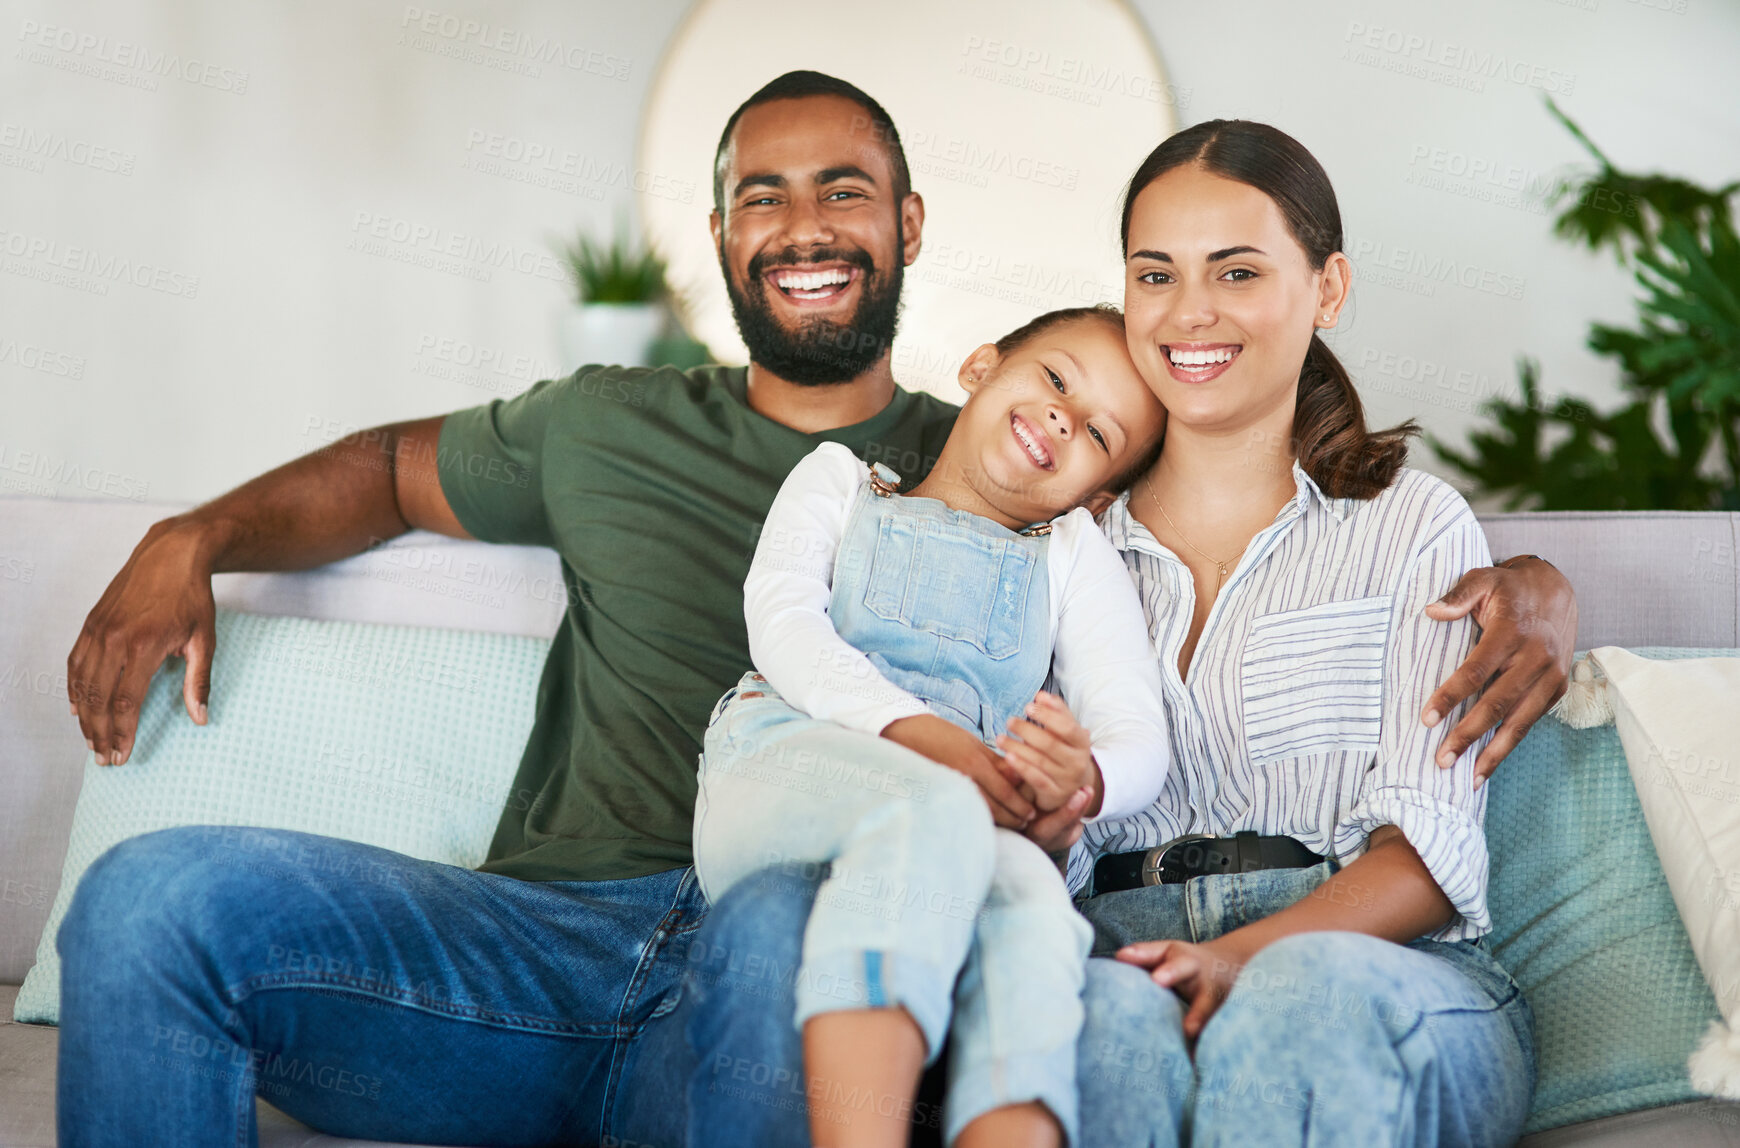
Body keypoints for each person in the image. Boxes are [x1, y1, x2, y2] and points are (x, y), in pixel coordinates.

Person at [56, 68, 1574, 1147]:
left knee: (832, 912)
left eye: (842, 188)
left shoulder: (1025, 493)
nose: (802, 223)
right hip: (548, 936)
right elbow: (390, 471)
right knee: (148, 903)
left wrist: (1534, 585)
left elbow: (1180, 634)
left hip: (779, 945)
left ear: (914, 227)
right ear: (715, 233)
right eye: (758, 195)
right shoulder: (651, 432)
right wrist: (196, 531)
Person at [686, 114, 1571, 1148]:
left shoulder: (1410, 526)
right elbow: (1008, 842)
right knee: (1089, 1027)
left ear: (1327, 288)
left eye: (1236, 272)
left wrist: (1245, 953)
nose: (1189, 312)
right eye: (1156, 274)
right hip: (1119, 948)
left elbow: (1425, 856)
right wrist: (1051, 817)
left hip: (1363, 957)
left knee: (1301, 997)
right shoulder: (1051, 550)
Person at [697, 305, 1169, 1147]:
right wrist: (925, 739)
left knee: (1034, 901)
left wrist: (1086, 780)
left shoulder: (1070, 555)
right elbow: (782, 627)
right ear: (980, 366)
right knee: (933, 807)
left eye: (1100, 434)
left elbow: (1134, 728)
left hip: (959, 817)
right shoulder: (840, 480)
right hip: (780, 765)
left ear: (1095, 497)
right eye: (1056, 380)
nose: (1066, 416)